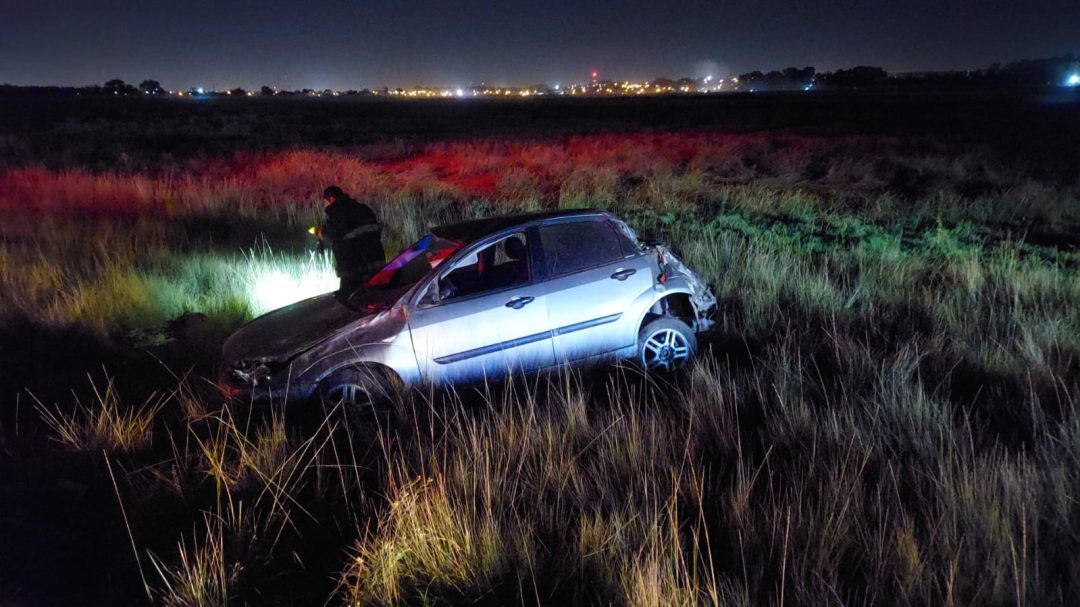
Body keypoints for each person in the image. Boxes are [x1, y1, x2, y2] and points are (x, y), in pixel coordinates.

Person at [315, 186, 385, 293]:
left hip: (354, 267)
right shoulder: (363, 208)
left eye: (325, 202)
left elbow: (332, 233)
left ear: (331, 199)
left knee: (349, 297)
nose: (325, 205)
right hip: (376, 261)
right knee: (377, 293)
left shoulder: (336, 212)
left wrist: (320, 233)